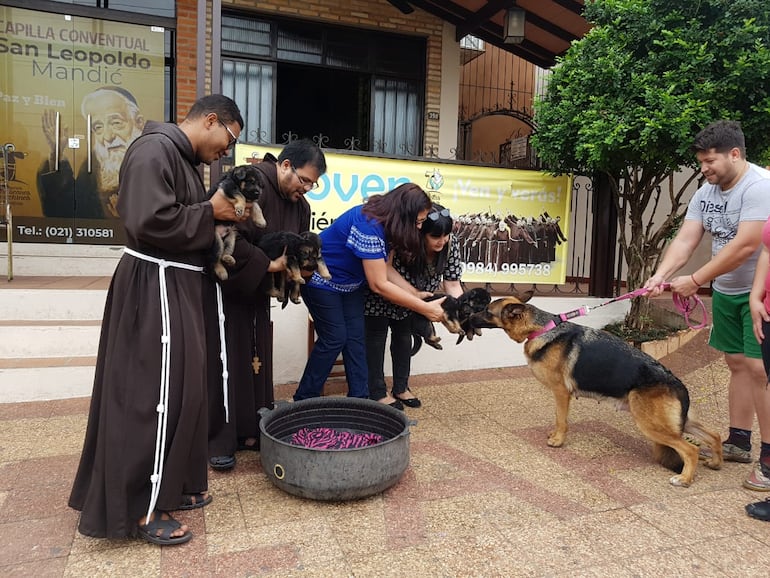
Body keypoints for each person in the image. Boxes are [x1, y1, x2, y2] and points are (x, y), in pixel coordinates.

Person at [68, 94, 248, 546]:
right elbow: (148, 220)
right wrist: (212, 211)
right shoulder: (153, 150)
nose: (226, 152)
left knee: (183, 392)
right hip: (156, 287)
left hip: (176, 286)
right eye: (228, 139)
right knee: (153, 396)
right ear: (211, 121)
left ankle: (166, 488)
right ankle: (142, 509)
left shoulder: (180, 158)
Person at [644, 120, 770, 491]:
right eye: (701, 162)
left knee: (759, 369)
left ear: (735, 154)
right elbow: (685, 240)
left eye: (710, 161)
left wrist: (696, 279)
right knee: (736, 364)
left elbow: (748, 244)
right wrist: (660, 275)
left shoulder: (759, 187)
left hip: (759, 293)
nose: (704, 169)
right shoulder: (706, 192)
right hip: (728, 290)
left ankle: (769, 459)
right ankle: (739, 440)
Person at [207, 139, 327, 471]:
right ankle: (221, 438)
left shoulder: (300, 206)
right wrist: (268, 265)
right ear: (285, 165)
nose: (305, 189)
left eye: (312, 185)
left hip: (263, 291)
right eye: (303, 180)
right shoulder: (252, 180)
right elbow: (227, 233)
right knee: (227, 361)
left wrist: (296, 270)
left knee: (257, 359)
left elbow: (300, 245)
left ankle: (251, 430)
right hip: (230, 288)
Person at [293, 183, 447, 403]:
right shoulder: (369, 225)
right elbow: (379, 285)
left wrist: (414, 294)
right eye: (419, 222)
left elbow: (385, 268)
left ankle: (360, 400)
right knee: (334, 338)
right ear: (404, 215)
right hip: (321, 282)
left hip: (351, 287)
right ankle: (304, 400)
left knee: (356, 340)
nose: (420, 228)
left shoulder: (389, 225)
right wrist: (423, 308)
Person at [365, 204, 463, 409]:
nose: (442, 241)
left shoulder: (450, 245)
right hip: (384, 293)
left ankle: (401, 388)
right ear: (421, 232)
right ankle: (377, 392)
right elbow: (385, 271)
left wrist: (462, 312)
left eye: (446, 235)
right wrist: (414, 295)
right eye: (436, 236)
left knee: (403, 338)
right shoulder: (403, 241)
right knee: (376, 339)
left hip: (415, 302)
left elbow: (452, 283)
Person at [38, 86, 145, 219]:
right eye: (98, 127)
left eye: (116, 123)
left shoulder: (155, 164)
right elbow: (66, 211)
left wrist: (126, 222)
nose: (108, 136)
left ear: (139, 122)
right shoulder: (94, 166)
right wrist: (57, 151)